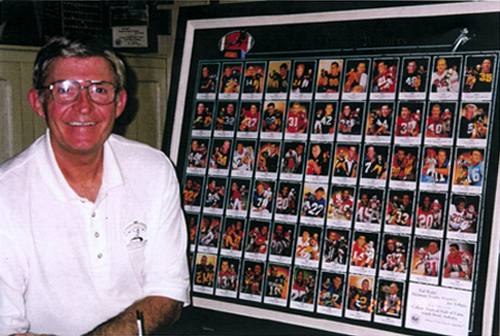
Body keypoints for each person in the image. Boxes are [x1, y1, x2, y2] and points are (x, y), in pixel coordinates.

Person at [0, 35, 190, 335]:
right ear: (38, 102)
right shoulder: (5, 194)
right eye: (65, 90)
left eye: (99, 90)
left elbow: (168, 293)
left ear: (119, 103)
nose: (84, 107)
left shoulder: (154, 169)